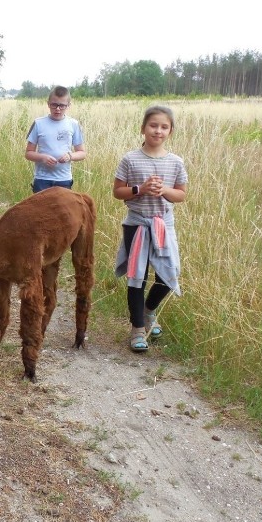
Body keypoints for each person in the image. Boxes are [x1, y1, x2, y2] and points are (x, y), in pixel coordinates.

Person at [113, 105, 188, 353]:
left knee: (169, 274)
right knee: (137, 277)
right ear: (143, 128)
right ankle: (137, 330)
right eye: (153, 125)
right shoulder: (130, 159)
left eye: (164, 127)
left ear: (171, 131)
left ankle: (148, 311)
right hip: (137, 224)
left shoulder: (175, 162)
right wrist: (140, 189)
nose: (158, 131)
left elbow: (181, 195)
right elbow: (117, 191)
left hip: (163, 226)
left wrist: (164, 190)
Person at [25, 85, 86, 193]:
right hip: (42, 180)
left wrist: (70, 156)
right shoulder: (38, 123)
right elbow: (29, 153)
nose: (58, 109)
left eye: (62, 105)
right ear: (48, 104)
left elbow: (82, 153)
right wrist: (43, 158)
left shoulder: (73, 124)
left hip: (64, 180)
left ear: (68, 106)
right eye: (54, 105)